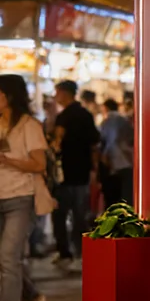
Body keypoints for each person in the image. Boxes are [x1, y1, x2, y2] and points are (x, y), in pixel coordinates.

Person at [0, 75, 49, 301]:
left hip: (20, 197)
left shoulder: (29, 126)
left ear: (9, 96)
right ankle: (31, 295)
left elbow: (39, 164)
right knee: (4, 259)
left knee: (8, 257)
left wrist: (8, 160)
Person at [52, 80, 99, 270]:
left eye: (57, 93)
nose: (56, 97)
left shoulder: (63, 117)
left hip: (64, 174)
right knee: (80, 215)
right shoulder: (86, 115)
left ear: (65, 93)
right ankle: (82, 253)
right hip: (82, 172)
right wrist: (94, 170)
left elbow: (57, 143)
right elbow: (94, 144)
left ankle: (65, 252)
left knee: (60, 214)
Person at [99, 98, 134, 206]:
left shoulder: (108, 121)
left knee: (114, 197)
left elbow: (109, 140)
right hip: (127, 162)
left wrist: (105, 156)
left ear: (105, 108)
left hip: (115, 163)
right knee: (126, 195)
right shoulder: (123, 120)